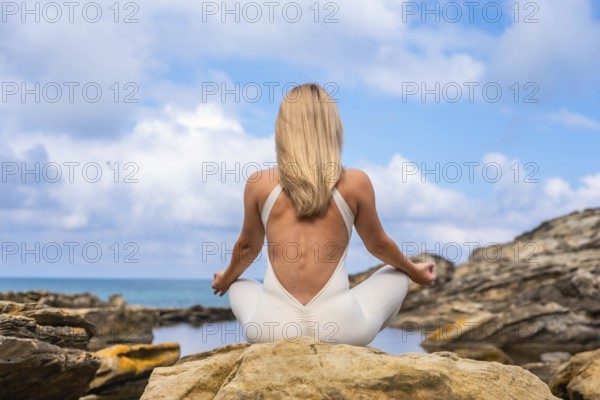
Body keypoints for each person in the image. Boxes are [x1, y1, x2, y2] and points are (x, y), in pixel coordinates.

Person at [211, 83, 436, 346]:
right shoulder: (356, 182)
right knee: (397, 274)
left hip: (273, 330)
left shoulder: (259, 183)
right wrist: (415, 271)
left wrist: (226, 278)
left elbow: (248, 247)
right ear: (333, 129)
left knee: (240, 283)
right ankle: (353, 351)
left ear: (283, 130)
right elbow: (378, 245)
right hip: (339, 328)